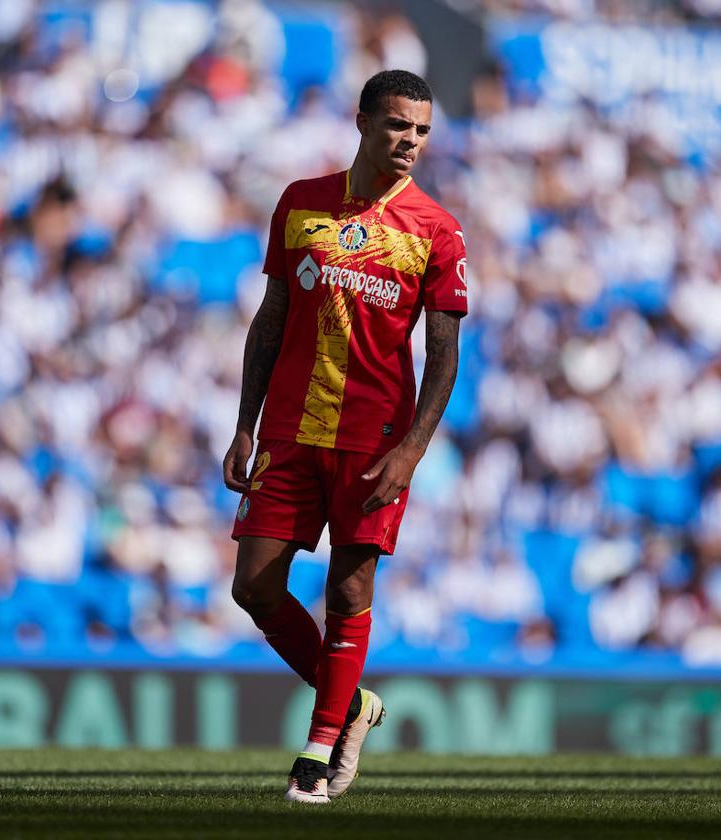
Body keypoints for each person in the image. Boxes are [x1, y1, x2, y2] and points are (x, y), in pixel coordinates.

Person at [222, 69, 467, 803]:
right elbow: (271, 318)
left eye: (422, 130)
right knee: (254, 585)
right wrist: (244, 423)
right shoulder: (301, 204)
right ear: (362, 122)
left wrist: (412, 450)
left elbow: (444, 355)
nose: (411, 142)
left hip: (375, 438)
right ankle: (355, 702)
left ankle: (321, 748)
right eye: (398, 125)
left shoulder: (435, 228)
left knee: (349, 584)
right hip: (292, 430)